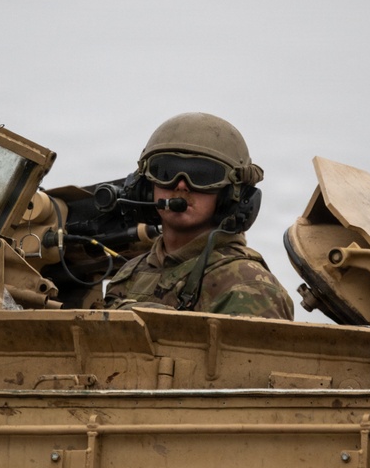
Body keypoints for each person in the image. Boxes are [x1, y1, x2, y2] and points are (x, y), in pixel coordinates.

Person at [104, 113, 294, 320]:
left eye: (203, 175)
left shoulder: (249, 285)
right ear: (146, 187)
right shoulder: (130, 272)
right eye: (166, 172)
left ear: (231, 195)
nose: (181, 185)